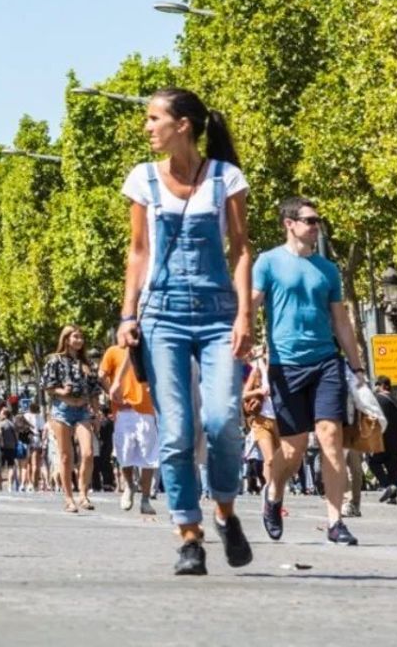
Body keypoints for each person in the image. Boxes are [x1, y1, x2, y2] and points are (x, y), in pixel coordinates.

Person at [116, 87, 254, 576]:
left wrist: (244, 316)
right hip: (162, 315)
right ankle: (189, 534)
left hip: (219, 314)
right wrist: (127, 316)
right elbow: (138, 252)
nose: (147, 127)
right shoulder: (142, 180)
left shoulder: (225, 178)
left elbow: (240, 250)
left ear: (184, 126)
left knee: (222, 423)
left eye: (155, 119)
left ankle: (225, 511)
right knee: (175, 432)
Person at [252, 196, 365, 546]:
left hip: (326, 361)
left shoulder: (328, 270)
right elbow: (251, 305)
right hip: (285, 365)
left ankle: (335, 521)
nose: (316, 226)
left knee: (331, 437)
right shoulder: (268, 263)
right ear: (290, 223)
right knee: (294, 447)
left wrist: (357, 366)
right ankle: (273, 494)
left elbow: (341, 321)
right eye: (310, 220)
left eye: (318, 221)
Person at [42, 325, 102, 513]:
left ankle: (83, 494)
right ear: (66, 339)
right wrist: (62, 391)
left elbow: (94, 390)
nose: (79, 340)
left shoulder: (87, 364)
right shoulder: (55, 361)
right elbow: (47, 386)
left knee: (88, 453)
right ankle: (69, 498)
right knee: (66, 456)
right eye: (75, 337)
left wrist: (97, 412)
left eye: (81, 337)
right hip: (62, 409)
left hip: (82, 409)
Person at [99, 344, 158, 515]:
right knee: (124, 454)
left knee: (149, 456)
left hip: (146, 408)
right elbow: (101, 376)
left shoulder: (149, 349)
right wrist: (112, 393)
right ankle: (129, 486)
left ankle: (145, 499)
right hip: (122, 410)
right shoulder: (113, 351)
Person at [241, 347, 279, 500]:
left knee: (281, 461)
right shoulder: (257, 371)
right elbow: (243, 394)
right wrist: (259, 392)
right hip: (262, 419)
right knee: (269, 460)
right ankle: (271, 498)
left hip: (281, 421)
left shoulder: (284, 369)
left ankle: (275, 492)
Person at [370, 376, 397, 505]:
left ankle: (386, 485)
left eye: (377, 385)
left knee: (372, 461)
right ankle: (393, 497)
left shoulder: (376, 399)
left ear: (381, 385)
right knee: (393, 468)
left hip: (381, 439)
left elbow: (372, 420)